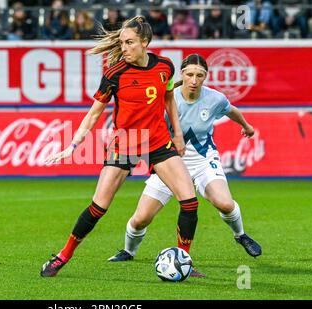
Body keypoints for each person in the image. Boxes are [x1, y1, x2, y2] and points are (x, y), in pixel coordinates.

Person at [40, 16, 201, 278]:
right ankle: (62, 256)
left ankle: (184, 260)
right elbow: (93, 114)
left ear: (144, 42)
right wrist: (73, 145)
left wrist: (178, 135)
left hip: (159, 141)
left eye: (129, 43)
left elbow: (169, 98)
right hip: (125, 143)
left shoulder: (165, 67)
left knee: (190, 202)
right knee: (98, 207)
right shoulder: (115, 73)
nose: (123, 48)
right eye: (121, 43)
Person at [107, 54, 262, 271]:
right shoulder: (165, 98)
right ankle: (128, 251)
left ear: (205, 77)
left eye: (200, 75)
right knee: (140, 219)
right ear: (182, 74)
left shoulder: (215, 99)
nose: (194, 80)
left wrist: (246, 126)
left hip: (203, 161)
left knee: (225, 203)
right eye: (189, 74)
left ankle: (240, 235)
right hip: (168, 162)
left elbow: (231, 110)